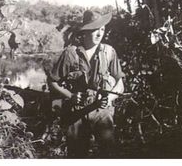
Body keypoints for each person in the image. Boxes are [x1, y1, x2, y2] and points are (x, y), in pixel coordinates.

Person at [49, 10, 125, 158]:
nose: (99, 33)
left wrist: (108, 98)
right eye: (95, 30)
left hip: (102, 111)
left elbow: (120, 83)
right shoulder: (70, 54)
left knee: (108, 154)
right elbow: (52, 81)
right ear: (85, 32)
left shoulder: (109, 52)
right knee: (77, 155)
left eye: (102, 29)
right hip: (76, 112)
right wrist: (70, 95)